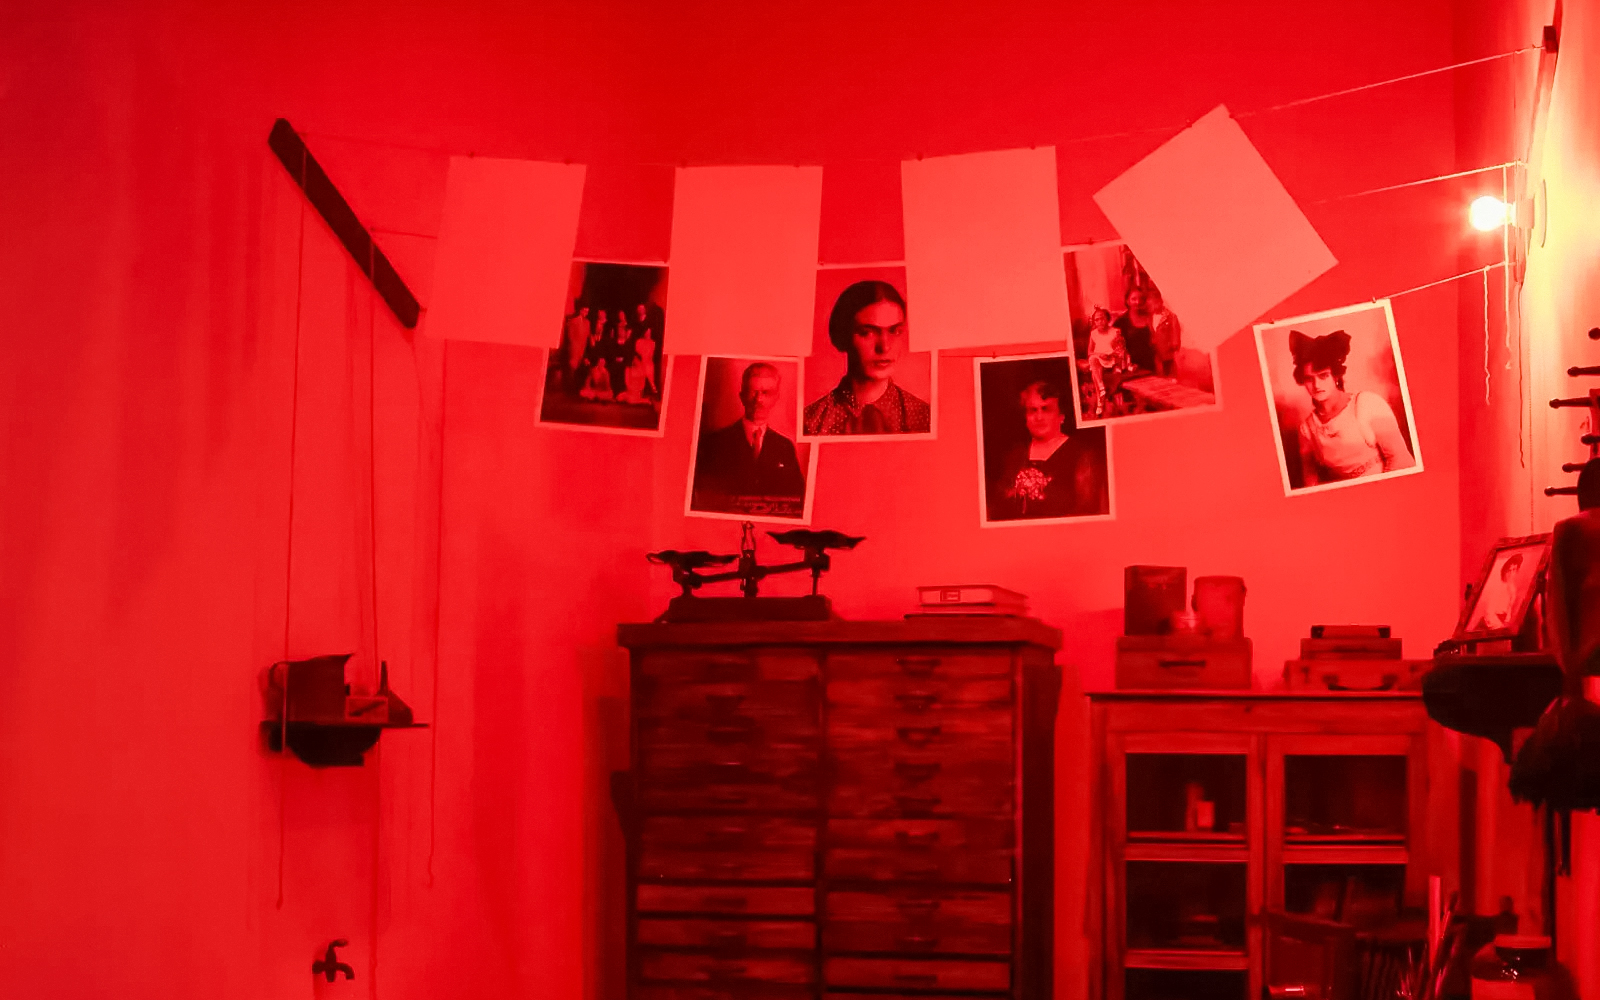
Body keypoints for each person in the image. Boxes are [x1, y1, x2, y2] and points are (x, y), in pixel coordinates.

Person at [1290, 330, 1416, 486]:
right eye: (1309, 379)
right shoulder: (1307, 429)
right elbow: (1310, 480)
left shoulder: (1367, 403)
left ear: (1336, 376)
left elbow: (1399, 458)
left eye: (1323, 375)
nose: (1316, 385)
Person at [804, 281, 931, 435]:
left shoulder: (923, 418)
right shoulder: (811, 423)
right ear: (843, 336)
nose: (884, 347)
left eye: (894, 331)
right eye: (867, 333)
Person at [989, 379, 1107, 520]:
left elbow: (1088, 513)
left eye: (1046, 409)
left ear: (1061, 417)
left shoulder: (1082, 457)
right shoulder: (1014, 457)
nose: (1039, 417)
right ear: (1025, 417)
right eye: (1033, 410)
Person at [693, 362, 806, 502]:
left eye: (766, 393)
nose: (758, 399)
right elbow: (702, 494)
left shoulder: (785, 447)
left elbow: (798, 497)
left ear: (776, 398)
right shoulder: (715, 443)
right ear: (742, 395)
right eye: (753, 391)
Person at [1083, 306, 1129, 418]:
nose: (1100, 321)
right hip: (1099, 360)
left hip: (1112, 360)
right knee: (1093, 359)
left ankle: (1100, 402)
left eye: (1102, 318)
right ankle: (1101, 391)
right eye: (1097, 319)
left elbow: (1121, 350)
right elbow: (1090, 352)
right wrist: (1099, 354)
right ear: (1094, 322)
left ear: (1107, 319)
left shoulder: (1115, 331)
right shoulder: (1093, 333)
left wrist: (1112, 354)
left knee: (1094, 374)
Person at [1474, 552, 1525, 630]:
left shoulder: (1513, 589)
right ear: (1504, 571)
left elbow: (1509, 612)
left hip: (1502, 624)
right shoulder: (1497, 588)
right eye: (1509, 570)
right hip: (1487, 626)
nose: (1511, 573)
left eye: (1514, 570)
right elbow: (1489, 613)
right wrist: (1501, 628)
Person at [1113, 287, 1156, 373]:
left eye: (1140, 299)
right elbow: (1114, 345)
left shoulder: (1150, 317)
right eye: (1134, 299)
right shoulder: (1121, 321)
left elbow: (1154, 342)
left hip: (1149, 365)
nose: (1138, 302)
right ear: (1127, 301)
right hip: (1130, 367)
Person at [1147, 287, 1182, 378]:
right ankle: (1161, 378)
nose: (1154, 306)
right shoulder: (1150, 317)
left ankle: (1172, 378)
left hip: (1167, 347)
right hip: (1155, 348)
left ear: (1160, 301)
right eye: (1151, 305)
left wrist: (1175, 343)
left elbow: (1175, 329)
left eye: (1156, 303)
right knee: (1159, 367)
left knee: (1169, 364)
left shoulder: (1169, 316)